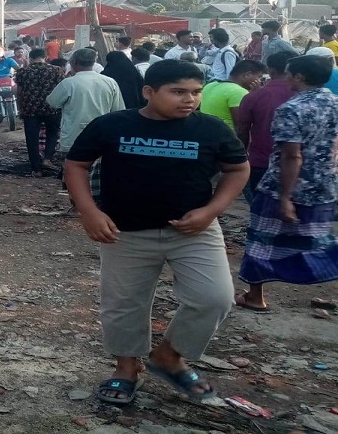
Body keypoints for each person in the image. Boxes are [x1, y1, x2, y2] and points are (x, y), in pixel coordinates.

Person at [64, 59, 249, 406]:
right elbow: (76, 164)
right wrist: (89, 212)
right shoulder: (113, 125)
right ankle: (126, 369)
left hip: (194, 231)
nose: (189, 100)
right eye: (178, 91)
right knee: (123, 305)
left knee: (214, 299)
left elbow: (238, 169)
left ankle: (169, 356)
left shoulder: (211, 130)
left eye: (196, 92)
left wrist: (212, 211)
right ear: (149, 92)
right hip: (125, 231)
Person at [236, 54, 338, 312]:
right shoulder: (335, 103)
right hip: (324, 184)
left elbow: (292, 155)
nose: (284, 77)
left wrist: (285, 197)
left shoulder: (292, 109)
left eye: (289, 73)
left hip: (285, 185)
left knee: (262, 239)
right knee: (320, 239)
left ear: (299, 77)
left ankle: (255, 296)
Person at [235, 51, 297, 203]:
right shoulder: (311, 96)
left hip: (262, 161)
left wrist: (242, 156)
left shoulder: (254, 96)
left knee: (260, 207)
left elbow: (242, 130)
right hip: (303, 163)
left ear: (271, 70)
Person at [46, 49, 126, 153]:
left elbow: (52, 102)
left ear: (74, 62)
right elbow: (119, 109)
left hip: (74, 134)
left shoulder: (69, 83)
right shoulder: (110, 82)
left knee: (73, 165)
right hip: (102, 133)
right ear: (93, 62)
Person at [15, 47, 64, 176]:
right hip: (52, 108)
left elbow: (19, 92)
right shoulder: (57, 70)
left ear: (30, 59)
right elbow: (61, 90)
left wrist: (20, 108)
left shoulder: (22, 72)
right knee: (52, 134)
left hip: (30, 109)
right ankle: (47, 159)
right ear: (46, 57)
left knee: (32, 138)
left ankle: (36, 169)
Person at [199, 59, 266, 130]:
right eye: (259, 77)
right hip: (226, 137)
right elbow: (242, 126)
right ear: (247, 75)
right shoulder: (239, 92)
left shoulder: (210, 85)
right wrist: (256, 96)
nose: (260, 81)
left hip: (205, 133)